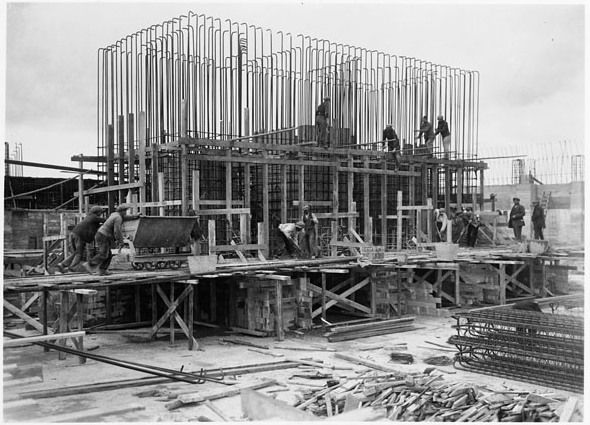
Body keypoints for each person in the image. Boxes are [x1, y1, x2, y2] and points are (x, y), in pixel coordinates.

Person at [83, 204, 140, 275]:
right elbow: (117, 231)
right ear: (122, 211)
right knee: (103, 254)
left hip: (101, 234)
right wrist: (120, 241)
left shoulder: (115, 214)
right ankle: (90, 264)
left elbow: (125, 217)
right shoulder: (118, 218)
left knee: (108, 254)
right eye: (125, 211)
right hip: (103, 235)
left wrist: (135, 216)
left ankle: (102, 270)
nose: (125, 213)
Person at [56, 206, 106, 273]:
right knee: (79, 254)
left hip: (75, 234)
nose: (101, 213)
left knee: (76, 252)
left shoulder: (90, 217)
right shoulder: (93, 217)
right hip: (80, 236)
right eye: (100, 212)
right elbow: (105, 220)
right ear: (97, 212)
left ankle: (62, 265)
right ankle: (71, 268)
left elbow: (95, 225)